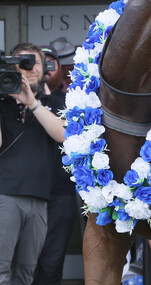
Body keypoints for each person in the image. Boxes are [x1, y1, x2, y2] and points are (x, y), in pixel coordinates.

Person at [0, 43, 66, 285]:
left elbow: (63, 134)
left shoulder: (53, 104)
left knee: (26, 274)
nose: (29, 69)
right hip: (5, 195)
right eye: (22, 63)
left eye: (34, 62)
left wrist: (33, 103)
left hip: (40, 199)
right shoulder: (2, 103)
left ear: (44, 68)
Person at [31, 46, 78, 285]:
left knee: (51, 263)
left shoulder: (68, 100)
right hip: (26, 192)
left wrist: (48, 98)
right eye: (41, 64)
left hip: (60, 195)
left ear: (61, 70)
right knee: (22, 262)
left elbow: (65, 130)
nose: (46, 71)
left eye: (51, 65)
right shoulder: (17, 98)